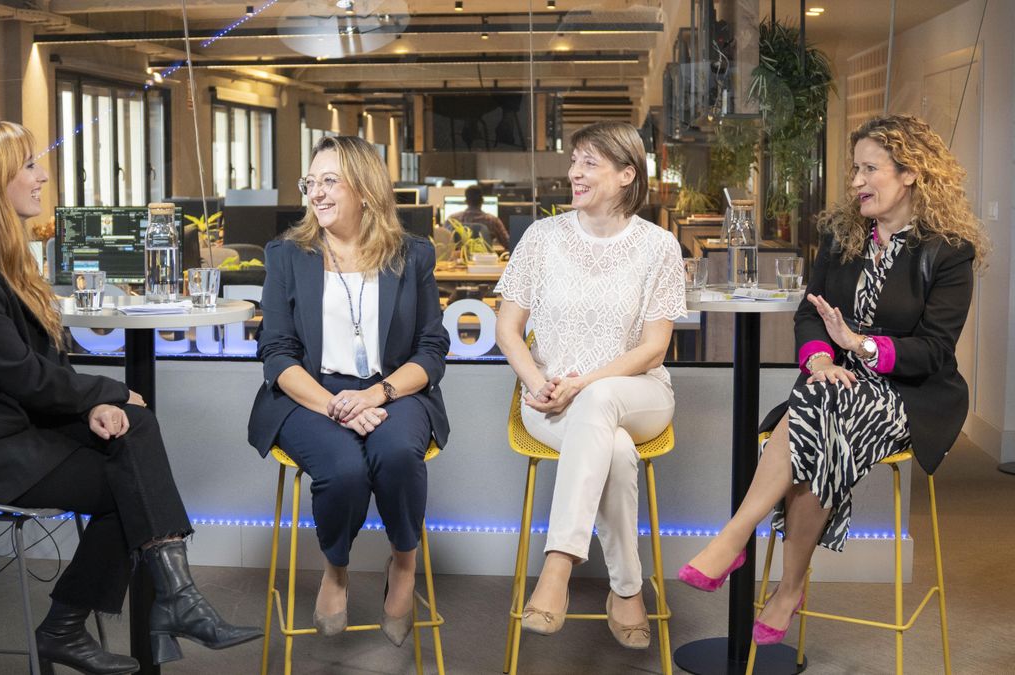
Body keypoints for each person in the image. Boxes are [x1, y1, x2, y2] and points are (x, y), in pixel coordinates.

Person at [0, 120, 262, 672]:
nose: (41, 175)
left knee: (135, 436)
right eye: (28, 165)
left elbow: (40, 370)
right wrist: (112, 390)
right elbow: (23, 376)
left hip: (11, 431)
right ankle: (144, 610)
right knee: (131, 478)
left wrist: (99, 404)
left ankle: (150, 608)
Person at [679, 114, 990, 646]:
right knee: (825, 406)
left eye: (869, 169)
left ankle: (738, 539)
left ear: (911, 172)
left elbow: (935, 352)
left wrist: (859, 345)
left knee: (823, 410)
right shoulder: (842, 234)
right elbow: (809, 312)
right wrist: (822, 359)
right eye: (854, 171)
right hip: (836, 384)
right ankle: (786, 586)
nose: (856, 183)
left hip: (910, 394)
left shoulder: (948, 250)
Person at [247, 135, 450, 647]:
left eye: (329, 180)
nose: (316, 192)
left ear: (365, 188)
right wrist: (338, 406)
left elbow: (431, 349)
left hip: (393, 389)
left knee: (400, 457)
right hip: (309, 393)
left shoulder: (413, 255)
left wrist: (378, 394)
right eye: (310, 182)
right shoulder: (287, 256)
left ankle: (403, 563)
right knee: (342, 471)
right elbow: (277, 354)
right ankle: (335, 568)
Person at [494, 120, 686, 648]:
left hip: (639, 393)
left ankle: (556, 566)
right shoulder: (542, 237)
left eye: (589, 163)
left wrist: (583, 385)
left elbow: (653, 348)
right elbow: (507, 330)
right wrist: (537, 381)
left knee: (601, 399)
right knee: (617, 451)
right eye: (574, 160)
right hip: (548, 400)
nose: (574, 173)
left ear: (627, 174)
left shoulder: (658, 247)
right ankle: (626, 589)